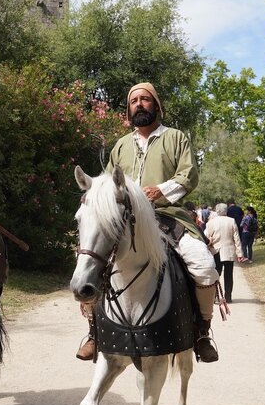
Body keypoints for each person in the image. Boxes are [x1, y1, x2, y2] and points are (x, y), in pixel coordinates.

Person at [75, 82, 222, 363]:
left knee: (203, 265)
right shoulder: (121, 145)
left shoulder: (176, 138)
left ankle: (202, 331)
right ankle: (94, 332)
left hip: (169, 217)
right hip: (125, 221)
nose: (139, 104)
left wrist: (160, 190)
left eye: (145, 99)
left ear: (156, 105)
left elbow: (188, 176)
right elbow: (105, 184)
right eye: (134, 101)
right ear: (129, 109)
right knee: (92, 262)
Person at [205, 203, 241, 302]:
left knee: (216, 275)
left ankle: (215, 296)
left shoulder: (210, 223)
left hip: (215, 251)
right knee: (229, 275)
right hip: (229, 251)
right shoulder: (231, 221)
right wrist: (239, 253)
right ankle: (228, 297)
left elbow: (207, 238)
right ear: (226, 211)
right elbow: (236, 238)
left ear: (217, 211)